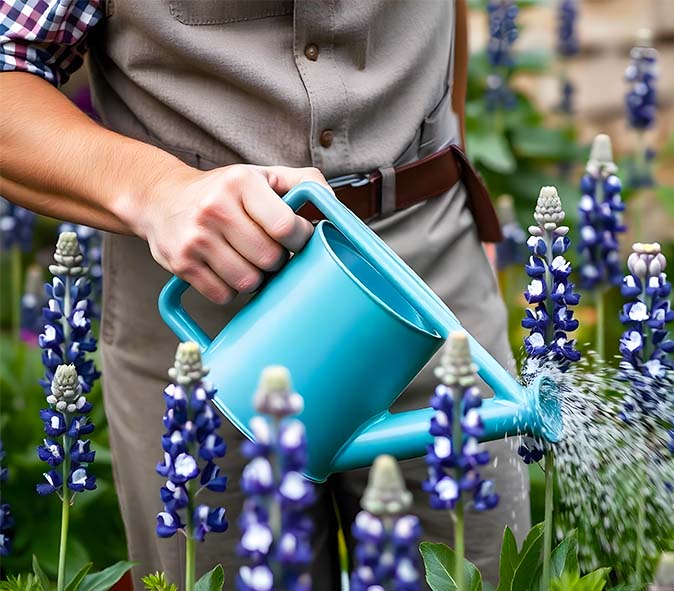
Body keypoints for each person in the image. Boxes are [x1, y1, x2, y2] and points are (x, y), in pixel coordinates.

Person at [0, 0, 530, 587]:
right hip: (206, 297)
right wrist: (155, 191)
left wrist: (445, 160)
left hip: (423, 277)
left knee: (472, 566)